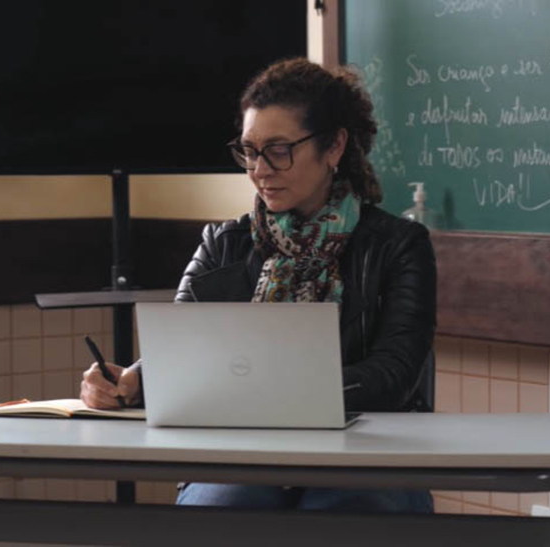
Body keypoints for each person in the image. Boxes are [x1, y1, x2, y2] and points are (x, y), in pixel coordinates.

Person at [80, 57, 437, 513]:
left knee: (344, 511)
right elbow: (179, 357)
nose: (259, 168)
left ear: (334, 147)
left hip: (371, 454)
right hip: (239, 455)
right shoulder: (223, 243)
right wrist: (127, 383)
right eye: (250, 150)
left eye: (279, 149)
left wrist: (275, 393)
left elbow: (395, 375)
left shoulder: (399, 245)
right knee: (222, 507)